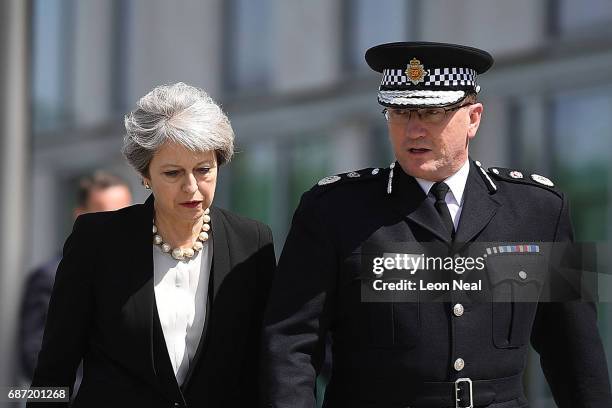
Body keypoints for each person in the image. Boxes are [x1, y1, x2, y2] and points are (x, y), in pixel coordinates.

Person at [261, 42, 612, 407]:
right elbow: (290, 346)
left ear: (473, 117)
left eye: (431, 113)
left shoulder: (539, 208)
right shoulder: (333, 209)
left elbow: (574, 348)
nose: (413, 131)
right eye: (399, 112)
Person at [29, 82, 276, 408]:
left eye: (204, 170)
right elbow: (52, 372)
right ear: (144, 175)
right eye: (173, 173)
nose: (192, 188)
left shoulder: (252, 241)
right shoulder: (96, 241)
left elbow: (265, 365)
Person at [19, 171, 132, 384]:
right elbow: (37, 359)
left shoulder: (143, 271)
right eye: (107, 214)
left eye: (125, 213)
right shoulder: (49, 278)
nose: (119, 222)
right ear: (81, 216)